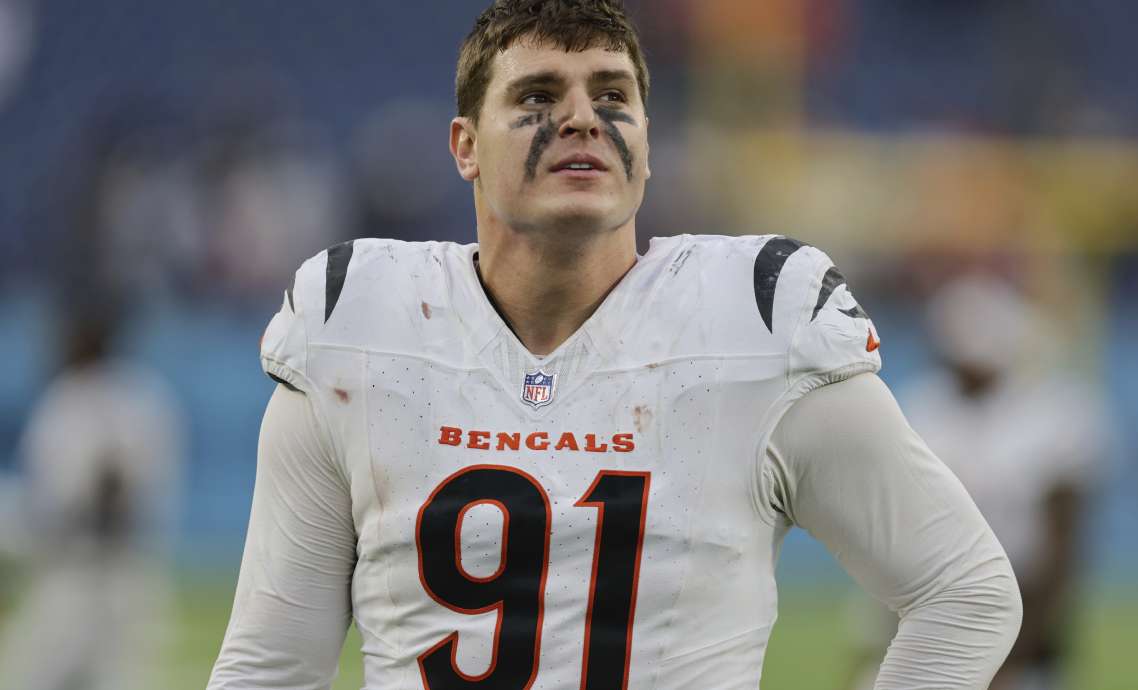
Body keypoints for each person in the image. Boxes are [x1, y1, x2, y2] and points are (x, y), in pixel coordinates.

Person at [208, 2, 1021, 688]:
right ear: (464, 147)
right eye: (535, 96)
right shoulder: (360, 325)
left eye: (612, 95)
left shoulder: (757, 323)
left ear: (647, 144)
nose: (579, 118)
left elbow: (966, 593)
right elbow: (272, 666)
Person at [843, 274, 1108, 690]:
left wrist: (1017, 649)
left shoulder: (1054, 415)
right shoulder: (921, 408)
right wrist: (881, 637)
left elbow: (1062, 550)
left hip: (1024, 605)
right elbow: (891, 544)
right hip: (930, 601)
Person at [0, 306, 183, 690]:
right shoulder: (138, 395)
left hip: (92, 569)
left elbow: (113, 492)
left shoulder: (91, 399)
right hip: (101, 569)